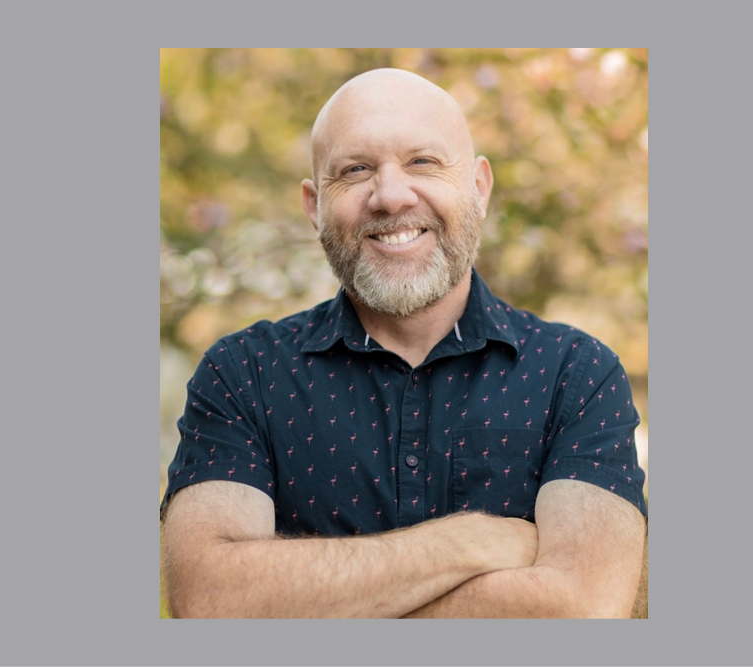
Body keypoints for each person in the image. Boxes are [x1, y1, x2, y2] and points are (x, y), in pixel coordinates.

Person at [160, 68, 648, 618]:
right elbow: (210, 604)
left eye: (423, 162)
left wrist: (312, 603)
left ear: (479, 188)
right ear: (314, 204)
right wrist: (469, 543)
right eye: (355, 170)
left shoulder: (576, 374)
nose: (390, 196)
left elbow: (583, 611)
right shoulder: (241, 373)